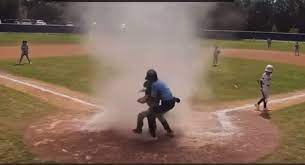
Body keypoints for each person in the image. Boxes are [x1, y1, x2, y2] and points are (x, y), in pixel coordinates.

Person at [133, 69, 180, 138]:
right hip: (170, 102)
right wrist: (175, 99)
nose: (148, 83)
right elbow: (165, 93)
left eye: (149, 81)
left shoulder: (154, 86)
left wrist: (143, 100)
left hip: (166, 104)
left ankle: (151, 135)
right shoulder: (160, 82)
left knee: (148, 115)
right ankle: (169, 131)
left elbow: (152, 98)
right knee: (159, 115)